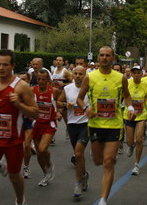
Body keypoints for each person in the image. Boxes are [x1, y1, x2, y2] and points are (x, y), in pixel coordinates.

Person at [77, 46, 135, 205]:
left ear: (113, 58)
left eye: (107, 55)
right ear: (98, 57)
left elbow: (127, 96)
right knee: (97, 160)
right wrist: (85, 108)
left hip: (114, 125)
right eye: (101, 55)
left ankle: (103, 199)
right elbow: (80, 98)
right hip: (95, 125)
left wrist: (130, 108)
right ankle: (88, 173)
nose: (104, 58)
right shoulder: (90, 77)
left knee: (108, 162)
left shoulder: (120, 77)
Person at [0, 49, 39, 205]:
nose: (1, 68)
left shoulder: (21, 87)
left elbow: (35, 113)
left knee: (14, 176)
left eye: (5, 64)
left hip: (13, 140)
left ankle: (20, 199)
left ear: (12, 65)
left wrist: (19, 104)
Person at [57, 66, 90, 197]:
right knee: (79, 155)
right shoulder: (67, 89)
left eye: (80, 74)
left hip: (86, 124)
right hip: (72, 125)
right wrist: (65, 105)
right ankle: (84, 174)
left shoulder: (90, 88)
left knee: (78, 152)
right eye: (75, 73)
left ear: (85, 75)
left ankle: (77, 183)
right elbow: (58, 102)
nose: (77, 76)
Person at [124, 66, 147, 175]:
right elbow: (122, 96)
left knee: (139, 140)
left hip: (141, 115)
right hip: (129, 115)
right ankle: (131, 146)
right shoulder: (127, 83)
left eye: (138, 73)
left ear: (142, 74)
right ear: (131, 74)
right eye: (134, 73)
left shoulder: (146, 85)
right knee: (130, 141)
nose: (136, 75)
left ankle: (136, 164)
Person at [32, 69, 61, 187]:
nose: (41, 81)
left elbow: (59, 103)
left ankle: (49, 164)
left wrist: (59, 112)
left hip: (50, 123)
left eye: (44, 79)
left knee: (42, 149)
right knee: (39, 153)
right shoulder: (32, 91)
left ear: (48, 80)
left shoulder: (54, 91)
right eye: (39, 79)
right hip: (37, 123)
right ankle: (46, 174)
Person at [18, 72, 35, 179]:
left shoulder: (32, 92)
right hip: (16, 122)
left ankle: (26, 167)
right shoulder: (14, 91)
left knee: (27, 146)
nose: (22, 82)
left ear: (29, 81)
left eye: (24, 79)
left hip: (28, 122)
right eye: (20, 79)